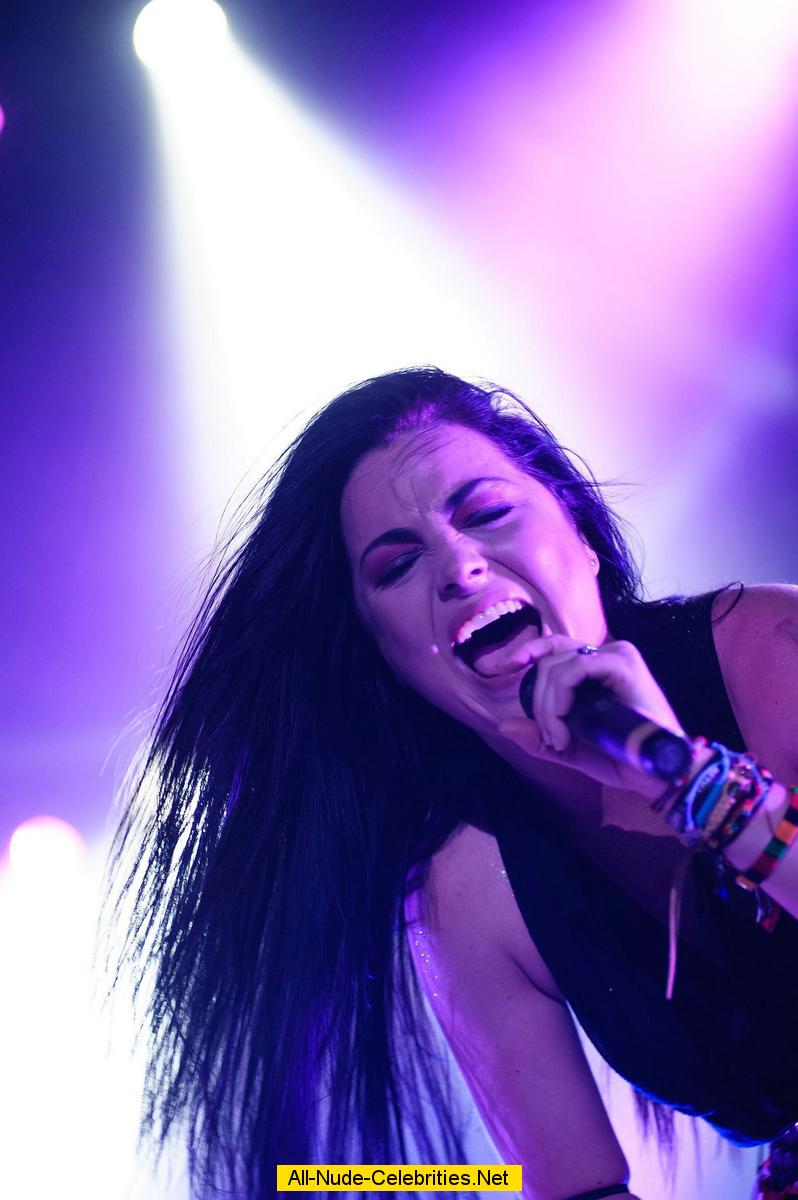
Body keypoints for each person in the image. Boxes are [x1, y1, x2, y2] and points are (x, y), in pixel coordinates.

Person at [109, 367, 798, 1200]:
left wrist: (680, 775)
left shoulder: (769, 652)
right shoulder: (462, 891)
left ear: (580, 535)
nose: (460, 567)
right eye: (398, 566)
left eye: (486, 513)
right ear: (386, 657)